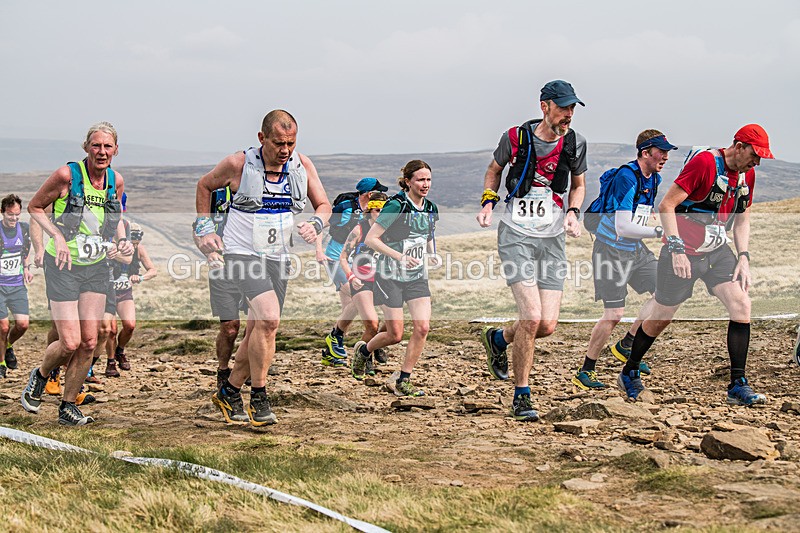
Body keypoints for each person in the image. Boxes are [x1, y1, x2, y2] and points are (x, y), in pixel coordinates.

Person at [618, 124, 772, 406]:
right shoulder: (704, 163)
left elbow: (742, 218)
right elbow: (667, 205)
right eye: (754, 154)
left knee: (742, 305)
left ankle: (738, 383)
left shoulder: (747, 175)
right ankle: (629, 370)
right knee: (661, 317)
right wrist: (676, 250)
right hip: (683, 250)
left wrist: (744, 257)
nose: (757, 161)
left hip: (716, 251)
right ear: (739, 147)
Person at [195, 110, 331, 426]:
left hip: (277, 257)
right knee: (269, 318)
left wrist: (315, 223)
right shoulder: (238, 165)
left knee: (260, 329)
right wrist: (205, 228)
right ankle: (259, 396)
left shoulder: (302, 165)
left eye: (291, 143)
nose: (285, 151)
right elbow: (204, 186)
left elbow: (324, 205)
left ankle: (228, 392)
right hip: (241, 254)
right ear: (262, 138)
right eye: (279, 143)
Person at [476, 80, 587, 421]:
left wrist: (572, 212)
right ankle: (522, 395)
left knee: (547, 325)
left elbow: (579, 186)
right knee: (532, 317)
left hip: (552, 238)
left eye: (572, 108)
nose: (568, 114)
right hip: (516, 235)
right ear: (545, 106)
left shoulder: (575, 144)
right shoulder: (515, 138)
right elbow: (494, 171)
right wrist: (488, 201)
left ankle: (498, 339)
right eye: (563, 107)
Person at [22, 121, 133, 426]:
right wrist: (55, 237)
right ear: (86, 147)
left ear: (116, 150)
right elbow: (35, 207)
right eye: (95, 145)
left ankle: (68, 406)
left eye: (107, 146)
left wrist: (120, 242)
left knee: (89, 341)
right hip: (64, 267)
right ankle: (41, 374)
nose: (101, 151)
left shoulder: (116, 180)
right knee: (69, 342)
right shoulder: (67, 175)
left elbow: (116, 216)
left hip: (96, 266)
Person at [572, 130, 677, 390]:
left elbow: (637, 216)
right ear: (645, 152)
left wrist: (647, 224)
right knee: (614, 314)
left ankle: (627, 343)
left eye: (667, 152)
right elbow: (622, 226)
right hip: (611, 250)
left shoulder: (654, 178)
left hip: (635, 249)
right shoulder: (626, 177)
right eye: (660, 151)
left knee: (665, 293)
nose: (665, 156)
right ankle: (586, 371)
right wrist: (659, 232)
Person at [351, 160, 438, 397]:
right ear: (407, 181)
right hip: (390, 275)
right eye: (420, 180)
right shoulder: (396, 206)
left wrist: (432, 254)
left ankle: (404, 380)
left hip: (417, 275)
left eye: (428, 179)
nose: (425, 184)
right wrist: (399, 256)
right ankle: (364, 350)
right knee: (395, 334)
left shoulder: (430, 208)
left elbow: (428, 233)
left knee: (422, 327)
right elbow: (371, 239)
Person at [320, 177, 389, 367]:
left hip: (357, 262)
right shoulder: (346, 207)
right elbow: (322, 224)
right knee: (356, 297)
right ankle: (336, 337)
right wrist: (318, 249)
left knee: (350, 304)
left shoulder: (376, 212)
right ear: (369, 193)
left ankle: (331, 351)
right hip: (335, 259)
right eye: (378, 190)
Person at [105, 222, 157, 373]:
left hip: (125, 291)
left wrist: (140, 278)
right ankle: (110, 361)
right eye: (133, 238)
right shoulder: (112, 246)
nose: (135, 243)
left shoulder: (139, 249)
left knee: (130, 325)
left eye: (138, 239)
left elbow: (153, 270)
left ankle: (120, 351)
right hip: (109, 291)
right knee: (111, 330)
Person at [0, 195, 33, 380]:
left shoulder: (24, 230)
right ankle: (1, 363)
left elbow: (25, 252)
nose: (13, 219)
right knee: (3, 327)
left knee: (22, 324)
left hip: (17, 285)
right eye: (10, 215)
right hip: (0, 286)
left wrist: (27, 268)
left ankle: (8, 345)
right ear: (2, 212)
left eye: (17, 215)